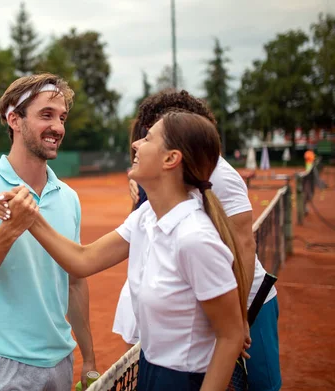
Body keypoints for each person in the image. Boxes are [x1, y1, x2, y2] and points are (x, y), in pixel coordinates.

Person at [0, 111, 247, 391]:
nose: (136, 144)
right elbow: (82, 260)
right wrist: (28, 215)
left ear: (170, 159)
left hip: (187, 380)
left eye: (149, 138)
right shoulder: (146, 217)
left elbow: (231, 336)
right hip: (150, 370)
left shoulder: (195, 238)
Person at [114, 90, 281, 391]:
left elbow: (243, 245)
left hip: (248, 298)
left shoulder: (221, 176)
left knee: (261, 384)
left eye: (151, 134)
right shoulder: (161, 178)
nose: (140, 142)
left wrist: (240, 315)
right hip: (201, 296)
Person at [0, 73, 96, 391]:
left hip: (62, 359)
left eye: (62, 117)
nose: (58, 127)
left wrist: (91, 361)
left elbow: (74, 282)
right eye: (46, 115)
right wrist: (8, 232)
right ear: (14, 119)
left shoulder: (68, 197)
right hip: (4, 364)